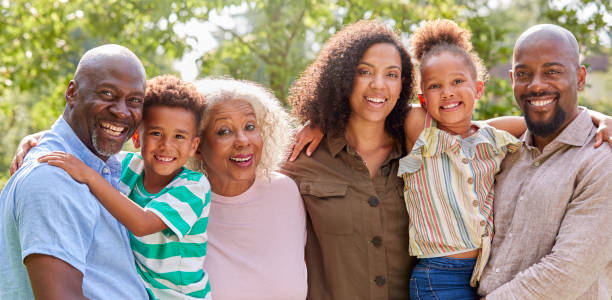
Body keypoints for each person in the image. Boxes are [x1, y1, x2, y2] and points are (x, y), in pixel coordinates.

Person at [36, 75, 212, 299]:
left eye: (179, 136)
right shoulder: (128, 166)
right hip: (137, 290)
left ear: (192, 146)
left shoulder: (194, 187)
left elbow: (142, 223)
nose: (166, 146)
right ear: (137, 137)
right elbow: (83, 152)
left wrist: (90, 177)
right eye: (156, 133)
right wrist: (38, 139)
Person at [0, 44, 149, 299]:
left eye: (134, 100)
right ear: (72, 93)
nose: (122, 111)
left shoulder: (102, 168)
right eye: (107, 94)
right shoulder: (54, 178)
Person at [282, 20, 417, 300]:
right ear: (342, 78)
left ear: (402, 84)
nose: (379, 85)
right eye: (364, 72)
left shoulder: (418, 152)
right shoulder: (300, 158)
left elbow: (480, 130)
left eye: (391, 75)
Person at [477, 24, 612, 299]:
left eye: (552, 72)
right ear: (513, 79)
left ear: (580, 77)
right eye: (524, 74)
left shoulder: (602, 159)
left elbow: (567, 273)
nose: (536, 85)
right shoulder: (503, 151)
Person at [397, 19, 523, 299]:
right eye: (435, 86)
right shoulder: (421, 131)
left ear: (478, 89)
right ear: (422, 99)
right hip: (439, 277)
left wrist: (601, 119)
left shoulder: (490, 135)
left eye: (457, 81)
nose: (448, 91)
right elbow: (370, 110)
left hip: (488, 272)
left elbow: (546, 122)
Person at [193, 77, 307, 300]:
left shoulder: (286, 192)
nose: (243, 140)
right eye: (224, 131)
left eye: (250, 127)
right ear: (197, 146)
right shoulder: (183, 204)